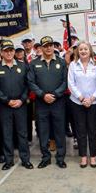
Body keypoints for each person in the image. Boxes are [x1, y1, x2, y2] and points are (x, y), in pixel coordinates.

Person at [0, 40, 33, 170]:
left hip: (21, 105)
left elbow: (28, 85)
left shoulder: (23, 66)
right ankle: (9, 160)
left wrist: (22, 99)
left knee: (22, 133)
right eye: (6, 51)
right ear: (1, 52)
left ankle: (25, 159)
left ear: (14, 51)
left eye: (11, 50)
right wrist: (7, 100)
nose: (9, 53)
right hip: (5, 106)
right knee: (7, 133)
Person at [28, 36, 68, 169]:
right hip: (41, 103)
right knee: (43, 132)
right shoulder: (34, 64)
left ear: (54, 46)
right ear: (41, 48)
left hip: (58, 102)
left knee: (59, 130)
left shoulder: (62, 62)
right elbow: (31, 82)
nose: (49, 48)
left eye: (51, 45)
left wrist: (55, 95)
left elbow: (65, 82)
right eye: (45, 46)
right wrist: (43, 95)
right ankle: (45, 157)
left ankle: (60, 157)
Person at [67, 42, 96, 168]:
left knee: (92, 130)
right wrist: (82, 99)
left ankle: (93, 156)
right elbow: (71, 84)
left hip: (94, 102)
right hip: (77, 102)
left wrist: (91, 98)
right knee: (80, 130)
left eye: (85, 49)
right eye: (81, 49)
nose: (83, 51)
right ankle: (83, 156)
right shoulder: (72, 65)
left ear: (90, 50)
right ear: (77, 52)